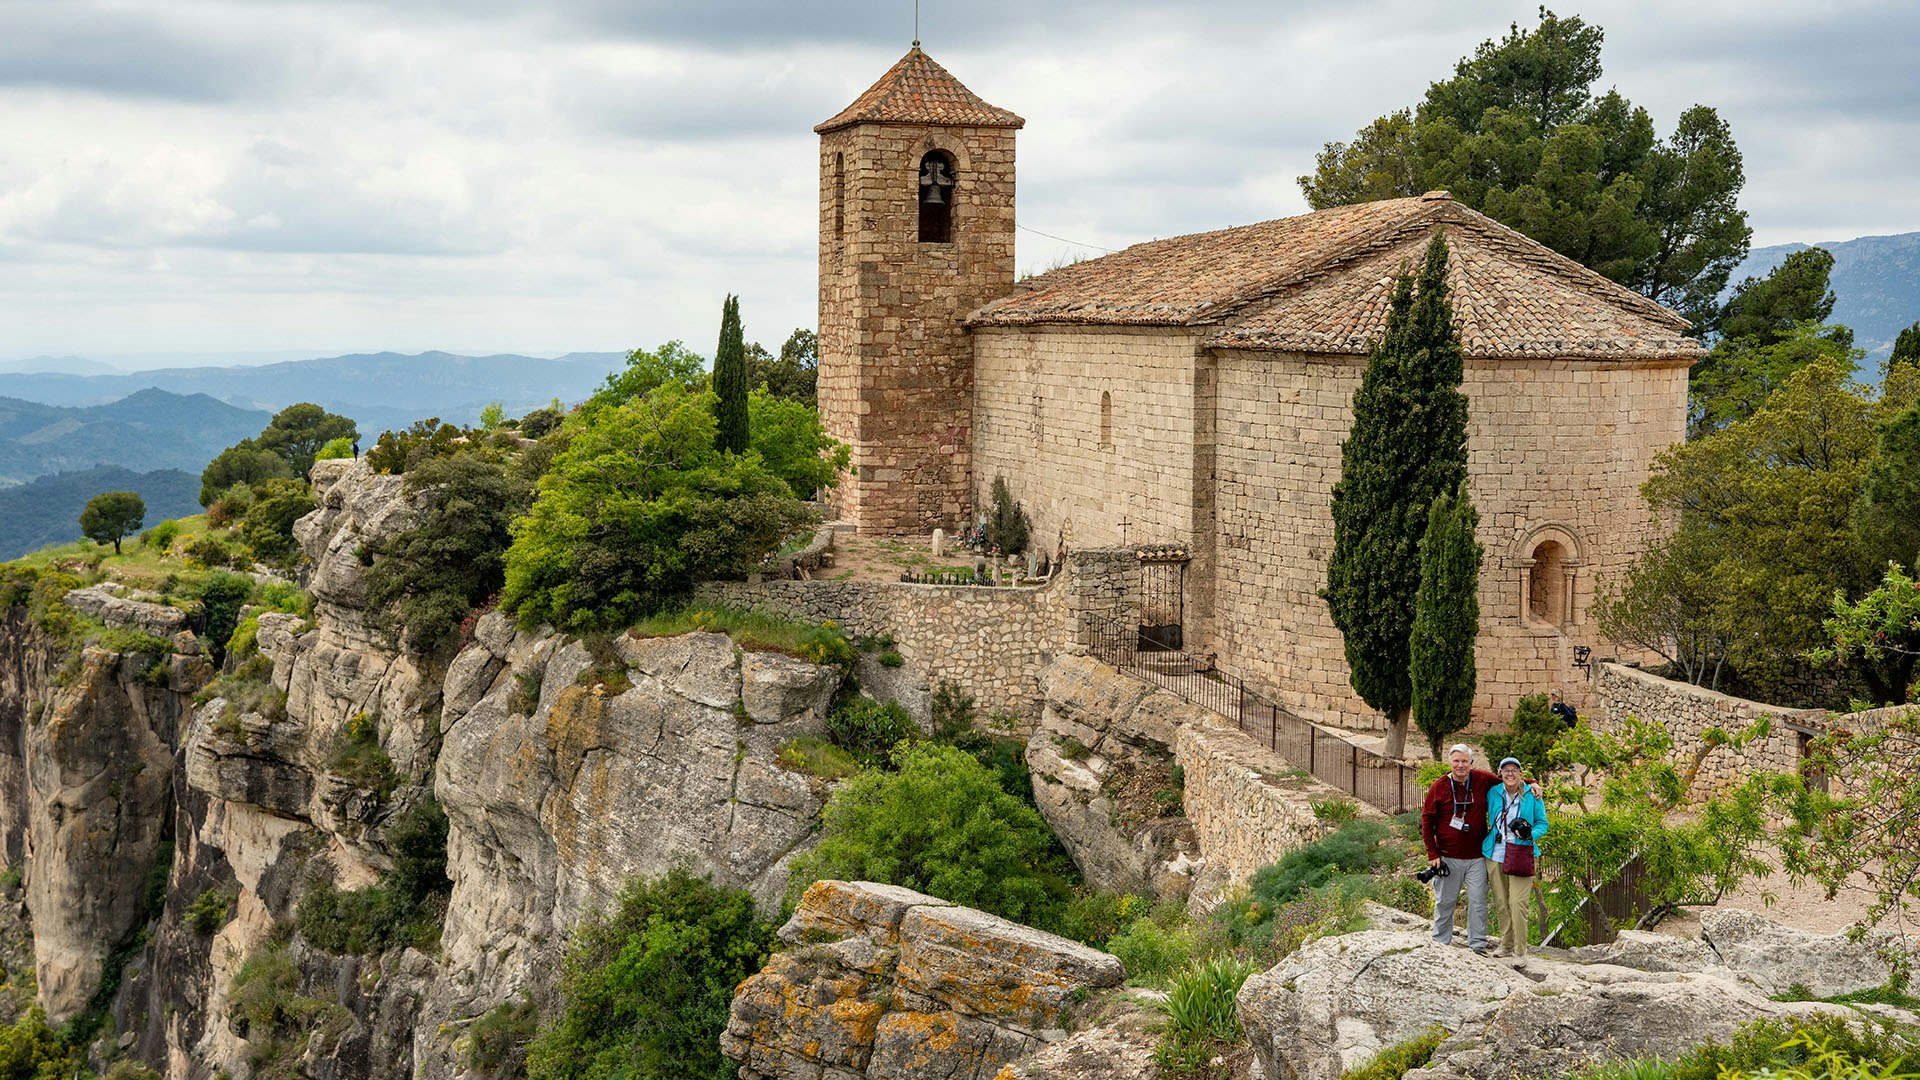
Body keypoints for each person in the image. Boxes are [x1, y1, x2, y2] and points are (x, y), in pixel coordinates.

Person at [1419, 744, 1500, 953]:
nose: (1460, 765)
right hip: (1447, 857)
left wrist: (1532, 783)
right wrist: (1432, 852)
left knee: (1478, 903)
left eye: (1465, 761)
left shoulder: (1482, 779)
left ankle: (1477, 945)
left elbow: (1509, 782)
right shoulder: (1439, 786)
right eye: (1456, 761)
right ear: (1450, 762)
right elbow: (1427, 820)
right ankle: (1440, 944)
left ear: (1471, 763)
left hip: (1476, 857)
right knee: (1445, 902)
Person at [1483, 756, 1550, 958]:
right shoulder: (1493, 792)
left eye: (1514, 770)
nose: (1510, 774)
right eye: (1506, 770)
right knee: (1502, 902)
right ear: (1500, 773)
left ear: (1521, 773)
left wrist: (1530, 834)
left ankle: (1521, 951)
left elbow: (1543, 823)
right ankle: (1506, 944)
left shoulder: (1532, 795)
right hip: (1495, 853)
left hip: (1521, 852)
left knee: (1518, 904)